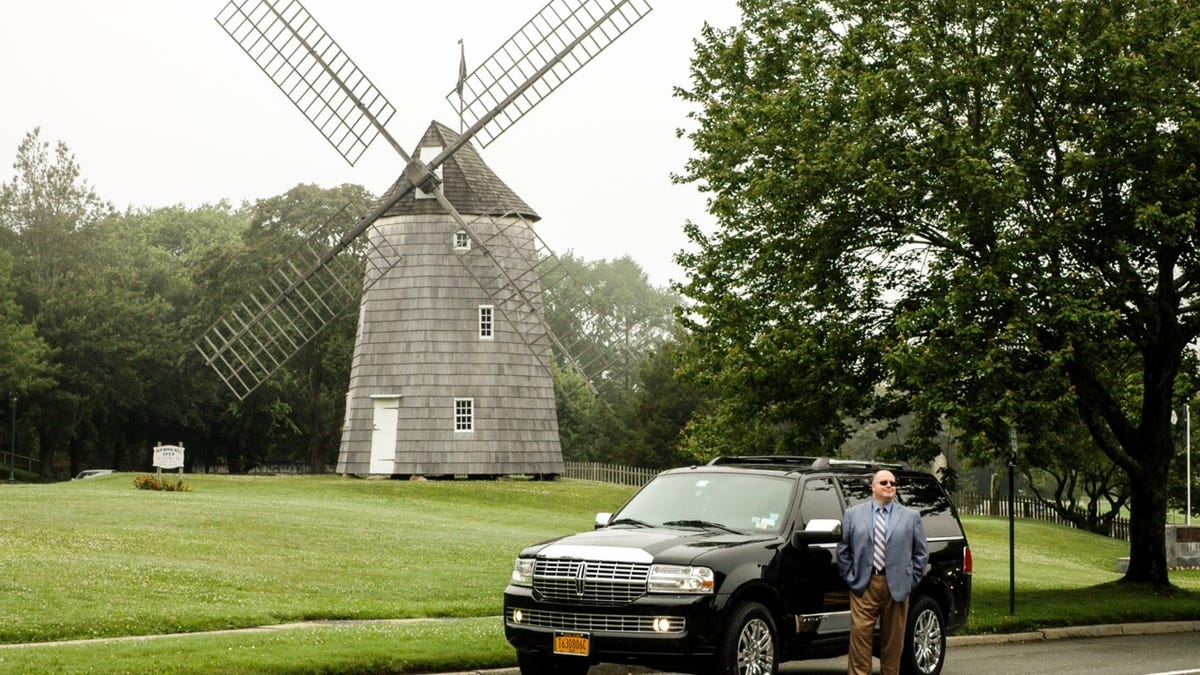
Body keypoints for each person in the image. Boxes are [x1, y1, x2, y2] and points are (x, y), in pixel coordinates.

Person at [836, 469, 929, 675]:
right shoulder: (853, 515)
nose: (889, 486)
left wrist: (909, 581)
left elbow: (921, 554)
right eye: (884, 482)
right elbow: (843, 551)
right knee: (860, 638)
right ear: (873, 487)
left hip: (896, 586)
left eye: (893, 483)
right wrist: (852, 578)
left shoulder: (910, 517)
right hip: (865, 584)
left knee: (893, 644)